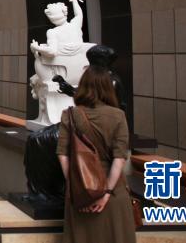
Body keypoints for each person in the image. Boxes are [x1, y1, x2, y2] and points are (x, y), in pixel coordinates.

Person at [56, 65, 135, 243]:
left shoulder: (70, 115)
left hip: (79, 195)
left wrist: (79, 188)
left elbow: (62, 154)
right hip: (113, 193)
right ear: (108, 88)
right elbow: (119, 158)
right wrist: (106, 193)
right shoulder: (118, 115)